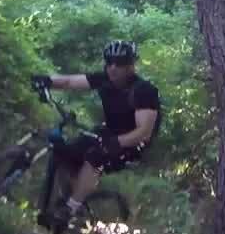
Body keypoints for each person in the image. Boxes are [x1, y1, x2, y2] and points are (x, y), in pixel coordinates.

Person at [31, 40, 161, 222]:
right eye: (109, 62)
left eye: (120, 63)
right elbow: (69, 82)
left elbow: (144, 133)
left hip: (133, 146)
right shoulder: (104, 80)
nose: (113, 68)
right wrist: (47, 81)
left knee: (96, 156)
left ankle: (71, 208)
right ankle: (73, 192)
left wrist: (117, 142)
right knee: (64, 150)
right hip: (108, 134)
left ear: (131, 65)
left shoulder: (144, 91)